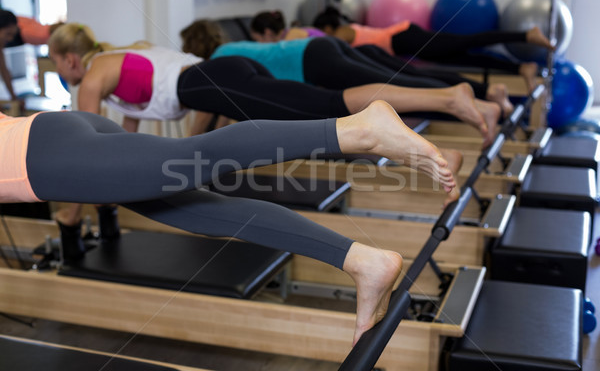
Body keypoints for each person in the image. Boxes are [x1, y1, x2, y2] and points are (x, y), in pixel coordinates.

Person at [0, 100, 457, 346]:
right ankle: (363, 260)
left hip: (40, 158)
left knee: (192, 158)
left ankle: (360, 130)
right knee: (198, 210)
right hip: (49, 136)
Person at [48, 22, 498, 145]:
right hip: (225, 74)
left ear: (70, 58)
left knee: (328, 104)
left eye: (56, 65)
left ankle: (446, 96)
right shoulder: (123, 62)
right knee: (320, 105)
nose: (64, 76)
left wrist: (71, 212)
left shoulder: (92, 77)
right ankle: (445, 98)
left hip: (214, 82)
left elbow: (95, 144)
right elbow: (127, 136)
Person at [181, 18, 513, 118]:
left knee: (389, 89)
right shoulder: (230, 50)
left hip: (312, 59)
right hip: (317, 49)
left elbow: (213, 112)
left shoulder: (217, 63)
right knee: (397, 79)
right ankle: (482, 96)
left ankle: (472, 104)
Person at [311, 7, 555, 93]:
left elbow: (339, 49)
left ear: (328, 27)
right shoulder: (338, 31)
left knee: (466, 41)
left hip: (404, 38)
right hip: (406, 45)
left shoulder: (340, 33)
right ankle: (521, 67)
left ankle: (526, 34)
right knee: (464, 58)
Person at [0, 10, 64, 111]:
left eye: (12, 35)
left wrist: (14, 98)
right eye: (8, 34)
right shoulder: (34, 34)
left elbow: (4, 71)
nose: (10, 39)